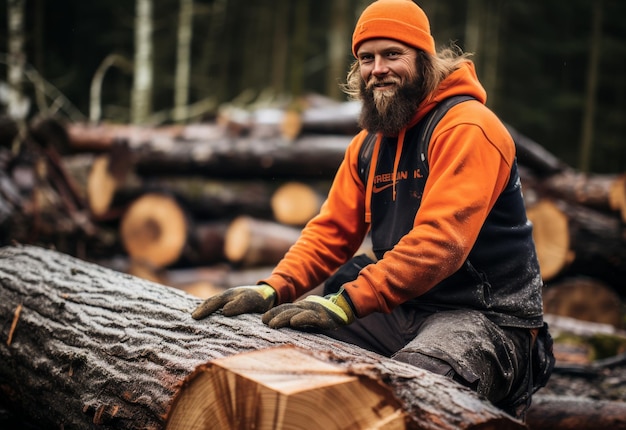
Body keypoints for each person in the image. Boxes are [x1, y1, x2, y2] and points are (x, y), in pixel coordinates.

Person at [192, 0, 553, 419]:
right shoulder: (368, 145)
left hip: (483, 317)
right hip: (403, 307)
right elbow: (331, 231)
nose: (377, 68)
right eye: (367, 58)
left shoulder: (468, 127)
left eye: (392, 54)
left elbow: (442, 242)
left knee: (410, 391)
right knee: (293, 350)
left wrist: (348, 302)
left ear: (424, 59)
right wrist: (274, 288)